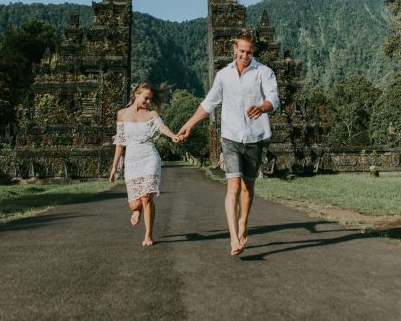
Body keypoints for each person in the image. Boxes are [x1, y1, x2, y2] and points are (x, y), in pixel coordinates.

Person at [177, 30, 279, 256]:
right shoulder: (224, 75)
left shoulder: (264, 72)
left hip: (255, 137)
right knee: (233, 185)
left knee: (248, 187)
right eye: (241, 51)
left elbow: (274, 98)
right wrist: (189, 124)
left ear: (254, 52)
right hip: (231, 137)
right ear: (235, 50)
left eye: (249, 52)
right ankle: (234, 238)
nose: (245, 56)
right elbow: (209, 103)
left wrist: (262, 107)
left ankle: (244, 222)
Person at [109, 82, 179, 247]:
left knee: (147, 196)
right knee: (134, 203)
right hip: (132, 160)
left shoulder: (152, 114)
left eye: (150, 99)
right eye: (146, 98)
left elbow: (162, 127)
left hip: (149, 157)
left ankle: (148, 235)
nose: (148, 102)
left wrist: (173, 136)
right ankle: (137, 209)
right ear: (136, 95)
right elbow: (120, 143)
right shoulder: (121, 114)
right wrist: (114, 167)